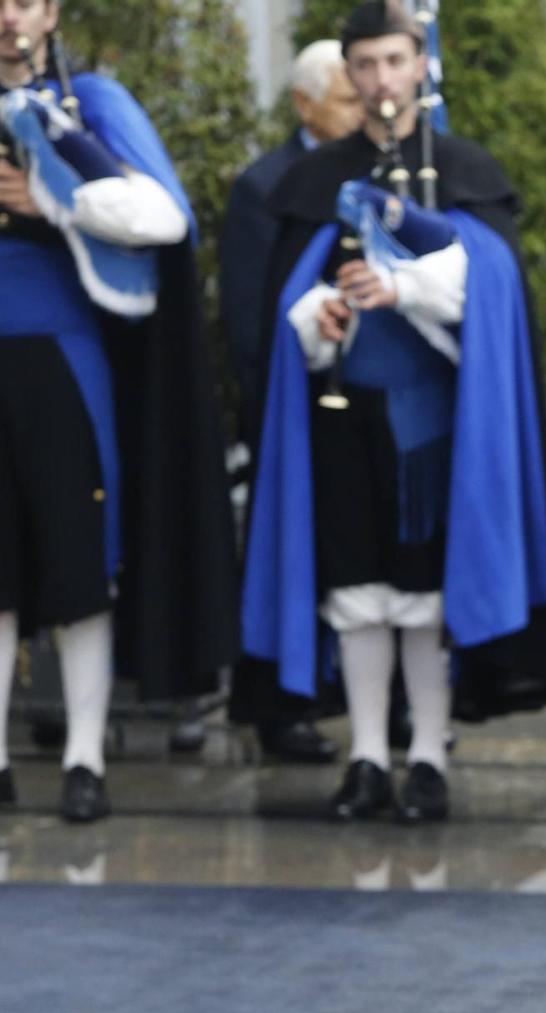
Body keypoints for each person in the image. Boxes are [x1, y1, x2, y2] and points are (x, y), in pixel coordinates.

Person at [0, 0, 238, 823]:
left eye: (23, 3)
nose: (8, 19)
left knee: (79, 559)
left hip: (63, 364)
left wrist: (51, 198)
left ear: (52, 12)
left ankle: (84, 759)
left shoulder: (91, 109)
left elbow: (161, 218)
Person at [242, 0, 546, 823]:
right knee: (355, 585)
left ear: (421, 64)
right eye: (365, 66)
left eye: (395, 62)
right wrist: (316, 320)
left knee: (426, 588)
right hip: (342, 412)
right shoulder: (319, 179)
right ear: (349, 73)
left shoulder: (464, 166)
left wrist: (406, 285)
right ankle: (365, 755)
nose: (382, 80)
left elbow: (493, 290)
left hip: (439, 428)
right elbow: (284, 298)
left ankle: (426, 755)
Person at [220, 38, 361, 767]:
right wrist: (266, 403)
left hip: (357, 403)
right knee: (288, 561)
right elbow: (248, 310)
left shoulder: (372, 173)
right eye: (346, 97)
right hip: (289, 403)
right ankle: (281, 708)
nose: (361, 108)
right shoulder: (264, 183)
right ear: (304, 105)